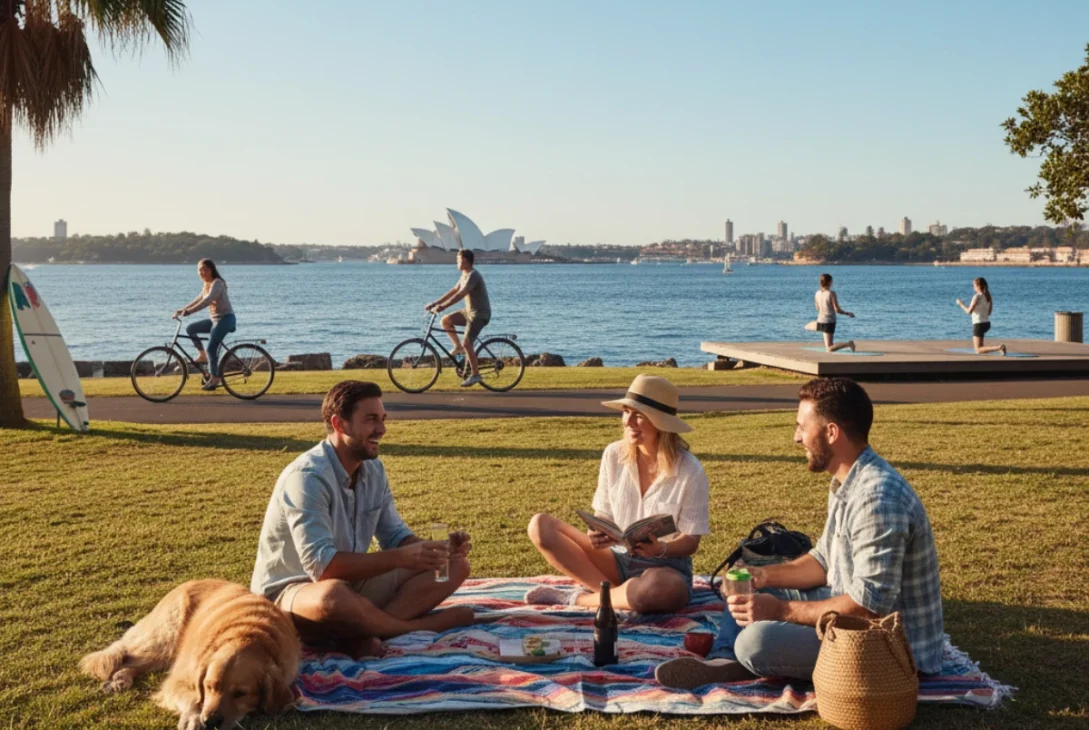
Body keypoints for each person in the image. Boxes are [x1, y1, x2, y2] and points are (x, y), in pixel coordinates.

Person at [655, 377, 943, 688]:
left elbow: (868, 608)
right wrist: (759, 576)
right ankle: (725, 662)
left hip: (888, 648)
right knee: (748, 592)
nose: (796, 437)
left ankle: (742, 657)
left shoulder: (878, 499)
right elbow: (823, 562)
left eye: (802, 427)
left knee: (756, 641)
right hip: (850, 616)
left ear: (831, 432)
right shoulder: (849, 481)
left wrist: (781, 611)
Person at [250, 380, 475, 658]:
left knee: (455, 567)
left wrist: (436, 551)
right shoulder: (308, 478)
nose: (381, 429)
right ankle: (415, 626)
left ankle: (367, 632)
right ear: (339, 424)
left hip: (352, 582)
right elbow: (323, 567)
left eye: (382, 419)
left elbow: (395, 536)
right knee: (332, 597)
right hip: (293, 595)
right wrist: (401, 557)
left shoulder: (373, 471)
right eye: (371, 420)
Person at [524, 375, 710, 613]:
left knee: (658, 590)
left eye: (639, 415)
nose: (628, 422)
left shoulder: (689, 470)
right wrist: (597, 533)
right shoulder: (614, 454)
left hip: (665, 569)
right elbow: (603, 515)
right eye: (626, 412)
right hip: (616, 560)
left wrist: (660, 549)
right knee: (540, 526)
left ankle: (581, 599)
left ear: (661, 422)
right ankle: (619, 596)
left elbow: (691, 541)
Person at [426, 249, 491, 387]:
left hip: (479, 314)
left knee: (467, 343)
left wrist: (443, 307)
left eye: (458, 259)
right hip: (468, 312)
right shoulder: (464, 275)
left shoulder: (473, 276)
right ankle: (458, 347)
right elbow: (454, 290)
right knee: (446, 320)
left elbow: (460, 294)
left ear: (466, 261)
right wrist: (435, 303)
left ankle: (475, 375)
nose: (456, 262)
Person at [173, 259, 236, 390]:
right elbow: (199, 298)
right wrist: (183, 309)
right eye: (200, 270)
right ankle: (202, 355)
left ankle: (215, 378)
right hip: (215, 320)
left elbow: (207, 300)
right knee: (191, 328)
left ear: (212, 270)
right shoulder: (207, 284)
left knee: (211, 349)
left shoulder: (217, 283)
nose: (202, 272)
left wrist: (189, 312)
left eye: (205, 269)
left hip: (226, 319)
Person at [956, 277, 1006, 356]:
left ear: (978, 286)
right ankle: (998, 349)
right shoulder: (987, 296)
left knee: (978, 350)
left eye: (974, 285)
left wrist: (960, 304)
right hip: (986, 324)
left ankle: (999, 347)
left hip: (979, 324)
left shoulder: (976, 297)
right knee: (980, 347)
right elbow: (989, 313)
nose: (973, 287)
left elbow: (969, 311)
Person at [813, 273, 855, 353]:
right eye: (832, 281)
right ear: (830, 282)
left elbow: (817, 308)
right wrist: (847, 313)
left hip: (821, 320)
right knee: (830, 348)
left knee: (829, 347)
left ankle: (849, 344)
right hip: (829, 321)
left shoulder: (817, 293)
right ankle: (849, 344)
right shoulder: (831, 293)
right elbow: (837, 309)